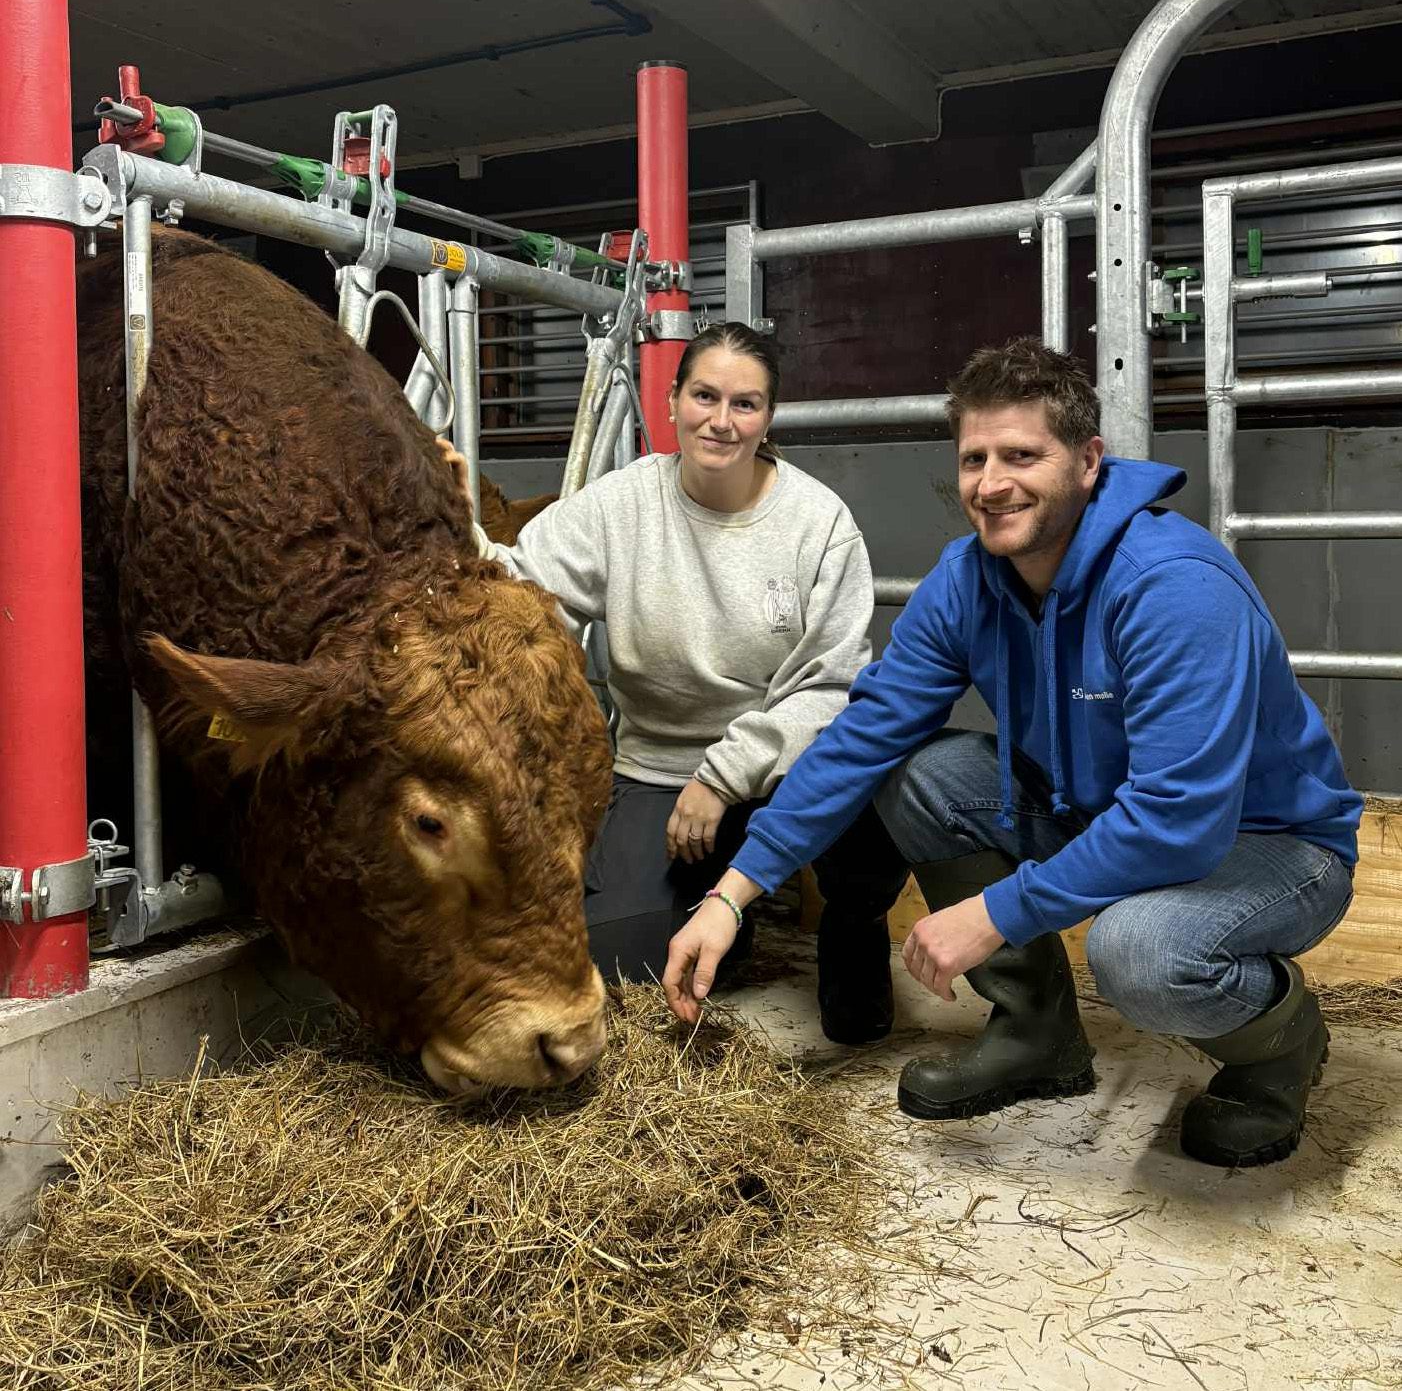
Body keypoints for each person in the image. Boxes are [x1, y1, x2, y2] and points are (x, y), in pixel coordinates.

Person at [664, 335, 1362, 1169]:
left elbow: (1178, 821)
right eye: (974, 458)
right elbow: (862, 737)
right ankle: (1036, 1035)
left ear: (1088, 460)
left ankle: (1281, 1047)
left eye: (1022, 455)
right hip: (1101, 810)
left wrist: (994, 912)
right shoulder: (968, 579)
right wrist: (732, 893)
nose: (991, 484)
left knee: (1140, 951)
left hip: (1271, 845)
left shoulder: (1172, 587)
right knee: (919, 777)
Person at [469, 321, 911, 1044]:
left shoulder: (817, 522)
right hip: (661, 771)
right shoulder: (624, 505)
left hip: (784, 766)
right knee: (614, 959)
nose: (722, 420)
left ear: (768, 418)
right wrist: (453, 522)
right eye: (705, 395)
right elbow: (520, 585)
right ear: (672, 400)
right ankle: (719, 920)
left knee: (874, 791)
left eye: (746, 404)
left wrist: (725, 773)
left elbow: (830, 687)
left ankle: (852, 924)